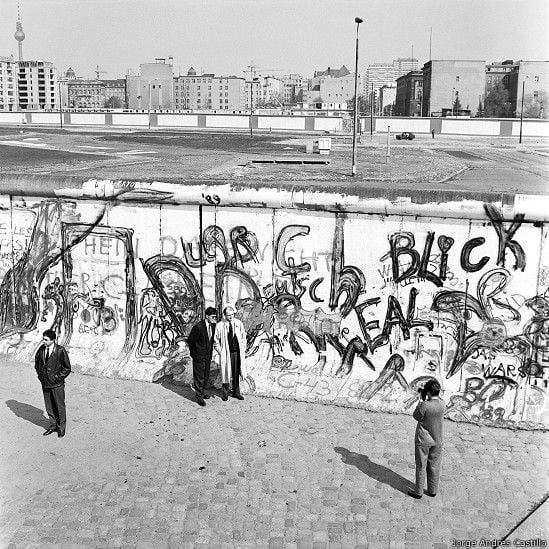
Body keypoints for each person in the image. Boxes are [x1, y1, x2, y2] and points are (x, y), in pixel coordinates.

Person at [408, 379, 446, 499]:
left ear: (428, 392)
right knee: (434, 465)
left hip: (423, 440)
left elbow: (416, 416)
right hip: (437, 439)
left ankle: (418, 492)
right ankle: (432, 490)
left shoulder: (425, 405)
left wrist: (420, 401)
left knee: (421, 466)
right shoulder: (443, 403)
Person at [35, 329, 71, 438]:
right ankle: (52, 425)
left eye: (46, 340)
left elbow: (67, 368)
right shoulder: (41, 349)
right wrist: (41, 375)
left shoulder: (60, 350)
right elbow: (37, 363)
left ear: (53, 340)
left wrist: (57, 378)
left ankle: (61, 428)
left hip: (57, 384)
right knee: (49, 406)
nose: (43, 341)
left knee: (59, 406)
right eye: (43, 339)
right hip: (45, 382)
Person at [213, 305, 248, 401]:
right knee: (226, 373)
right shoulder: (220, 325)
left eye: (232, 314)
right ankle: (225, 393)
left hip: (237, 352)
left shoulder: (238, 323)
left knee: (236, 372)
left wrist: (243, 347)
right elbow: (215, 340)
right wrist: (221, 351)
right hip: (226, 353)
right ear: (225, 315)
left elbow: (243, 336)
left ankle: (236, 392)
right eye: (228, 315)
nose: (231, 317)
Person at [187, 307, 218, 406]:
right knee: (199, 377)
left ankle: (202, 392)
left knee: (205, 375)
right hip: (198, 356)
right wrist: (195, 353)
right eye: (212, 317)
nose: (214, 318)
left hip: (207, 356)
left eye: (215, 317)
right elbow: (191, 341)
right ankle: (199, 397)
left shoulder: (213, 326)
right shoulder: (198, 327)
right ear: (207, 316)